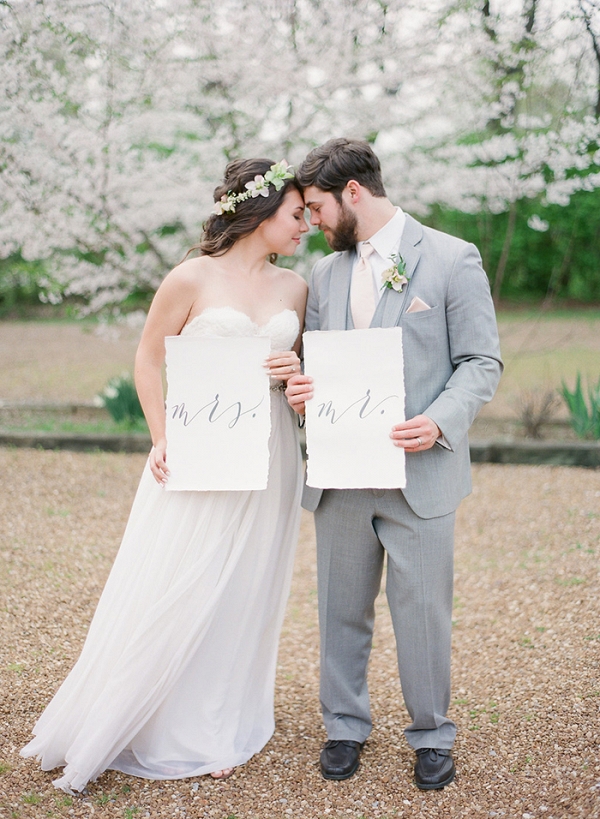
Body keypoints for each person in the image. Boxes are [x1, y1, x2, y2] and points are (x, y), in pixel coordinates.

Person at [21, 158, 309, 792]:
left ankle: (219, 716)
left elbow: (299, 375)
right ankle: (159, 719)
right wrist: (161, 437)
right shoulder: (190, 277)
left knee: (247, 581)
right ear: (259, 212)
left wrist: (296, 381)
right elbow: (148, 361)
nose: (305, 227)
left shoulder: (296, 288)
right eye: (295, 215)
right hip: (202, 445)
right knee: (185, 575)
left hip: (272, 453)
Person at [286, 138, 503, 790]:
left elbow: (481, 362)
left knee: (423, 611)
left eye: (319, 208)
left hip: (421, 476)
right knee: (340, 608)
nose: (313, 224)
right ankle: (344, 726)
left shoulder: (450, 258)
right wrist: (301, 391)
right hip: (342, 476)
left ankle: (432, 734)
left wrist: (439, 419)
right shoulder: (324, 276)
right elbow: (316, 368)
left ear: (353, 193)